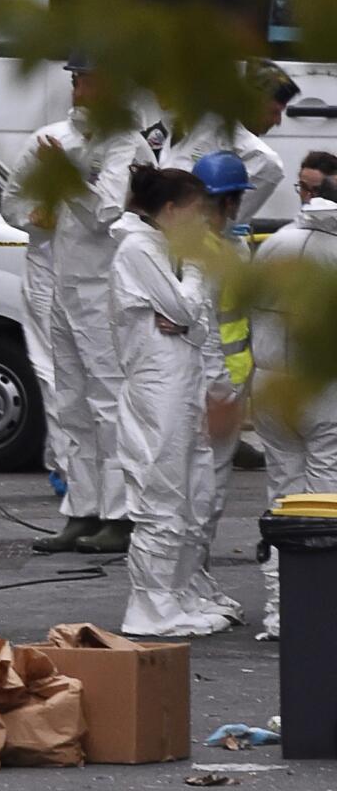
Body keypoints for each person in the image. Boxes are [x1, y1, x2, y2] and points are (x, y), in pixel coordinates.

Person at [16, 55, 156, 554]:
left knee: (108, 402)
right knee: (71, 403)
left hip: (107, 289)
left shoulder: (127, 142)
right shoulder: (62, 139)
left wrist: (67, 178)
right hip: (64, 283)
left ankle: (120, 515)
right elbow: (18, 203)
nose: (77, 88)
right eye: (75, 80)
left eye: (86, 79)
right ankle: (82, 508)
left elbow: (106, 212)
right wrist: (38, 212)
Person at [110, 166, 233, 638]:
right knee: (160, 493)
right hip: (157, 385)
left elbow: (194, 325)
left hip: (183, 378)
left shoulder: (161, 249)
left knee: (190, 493)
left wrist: (186, 314)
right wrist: (197, 277)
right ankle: (151, 606)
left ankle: (177, 592)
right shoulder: (138, 249)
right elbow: (184, 310)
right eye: (196, 211)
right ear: (169, 210)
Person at [249, 179, 337, 639]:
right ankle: (323, 612)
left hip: (270, 387)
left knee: (282, 502)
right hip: (325, 393)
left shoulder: (275, 243)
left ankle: (282, 611)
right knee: (328, 507)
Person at [185, 151, 256, 625]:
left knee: (207, 491)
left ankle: (197, 580)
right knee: (202, 495)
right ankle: (190, 584)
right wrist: (219, 388)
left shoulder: (219, 246)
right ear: (228, 201)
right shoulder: (204, 253)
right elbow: (207, 327)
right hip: (215, 386)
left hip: (225, 382)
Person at [158, 59, 299, 223]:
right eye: (273, 111)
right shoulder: (262, 158)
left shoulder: (261, 159)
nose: (277, 121)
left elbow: (223, 226)